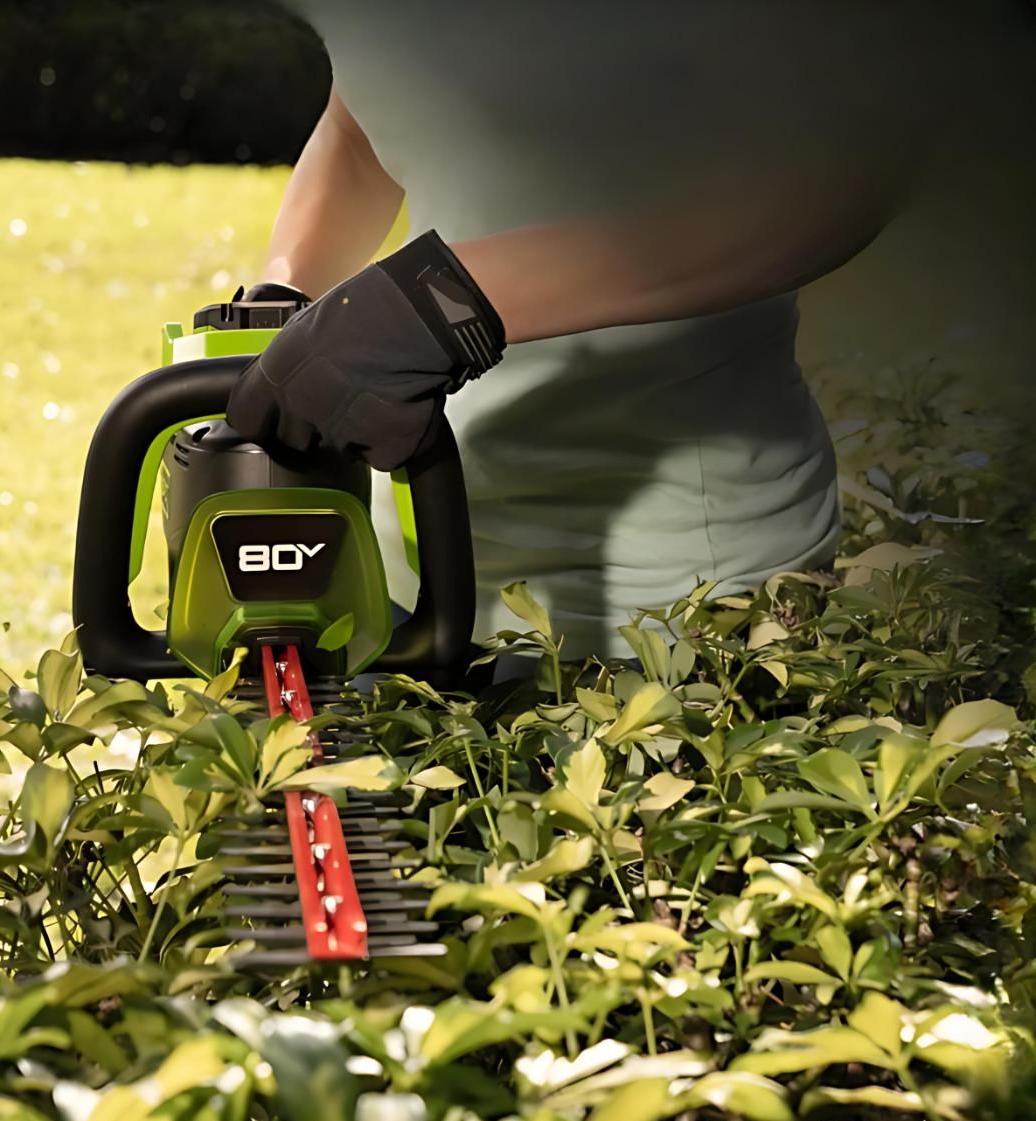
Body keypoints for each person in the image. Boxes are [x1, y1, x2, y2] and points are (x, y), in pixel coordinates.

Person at [225, 0, 969, 663]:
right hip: (408, 566)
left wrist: (448, 301)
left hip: (674, 614)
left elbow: (839, 172)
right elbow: (365, 117)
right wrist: (283, 299)